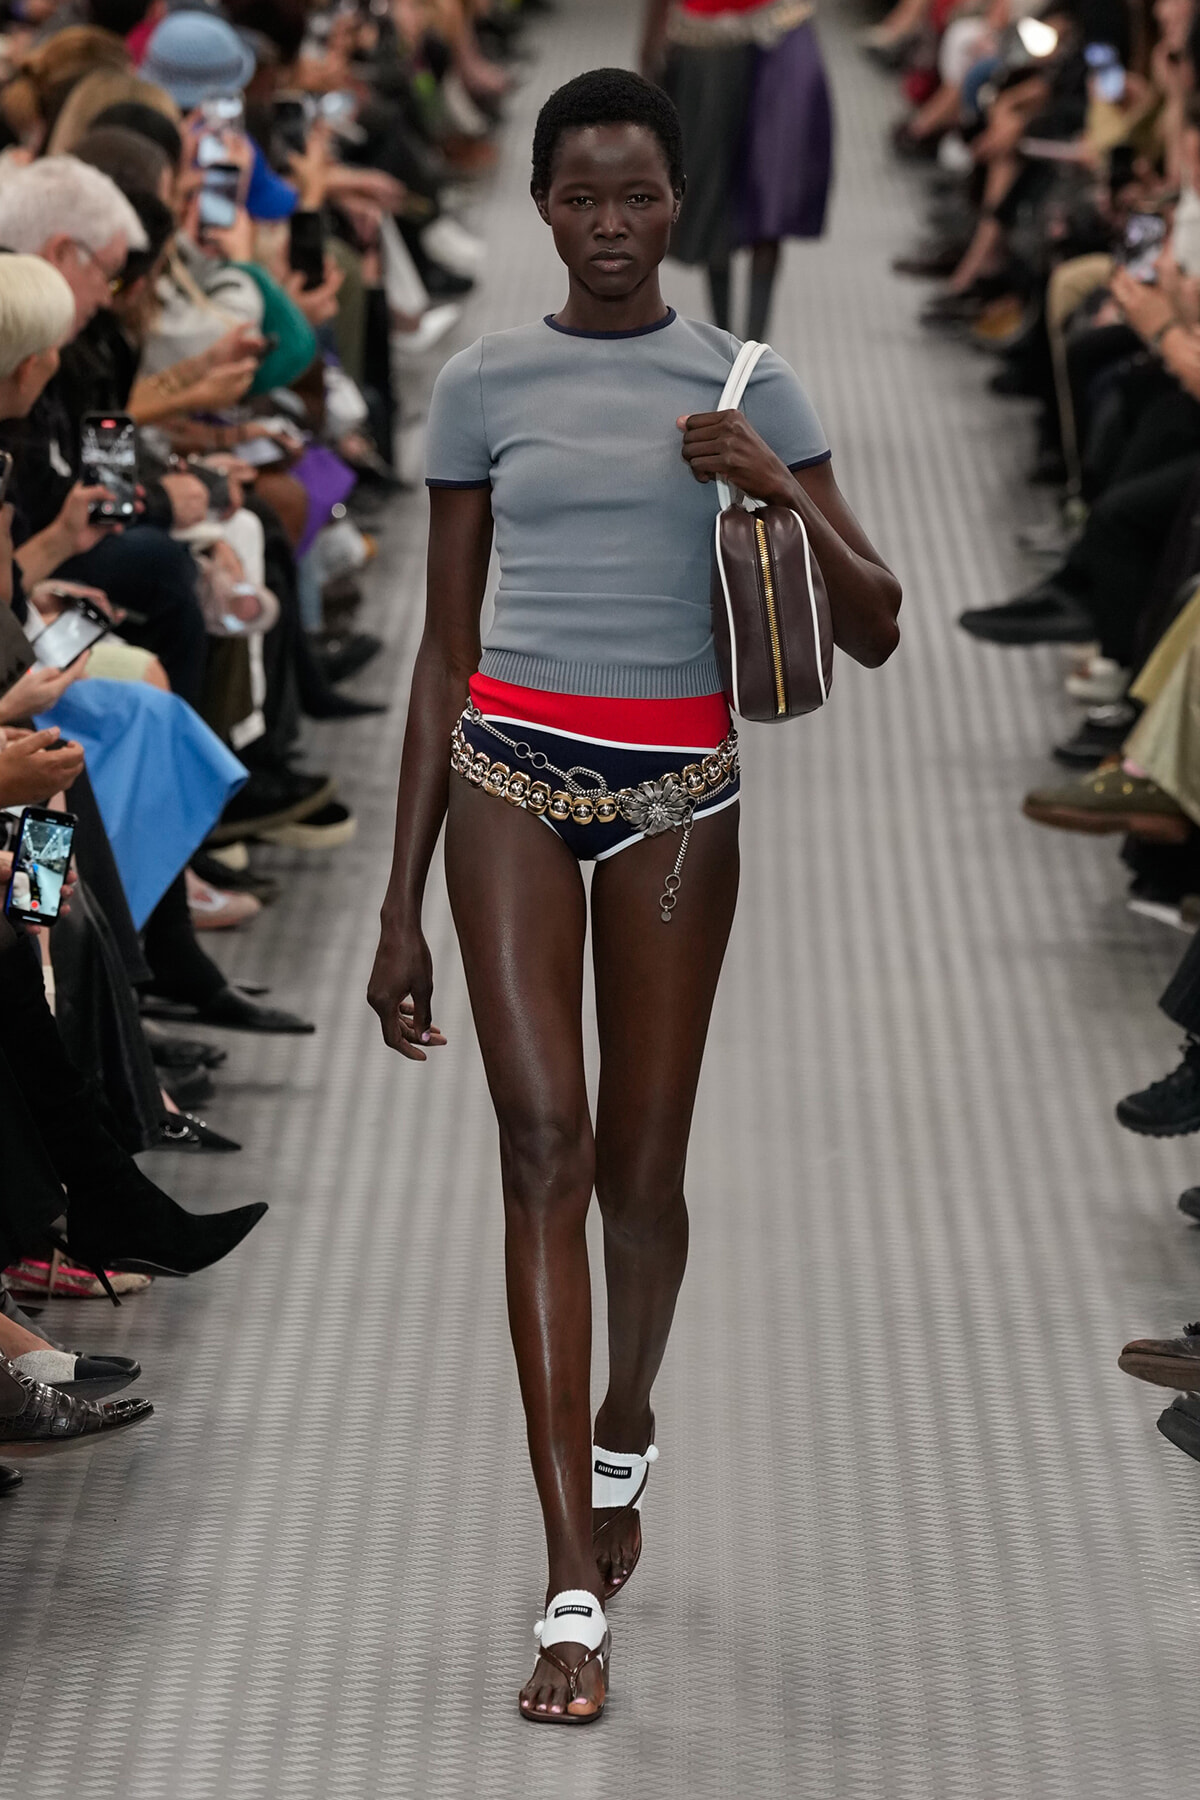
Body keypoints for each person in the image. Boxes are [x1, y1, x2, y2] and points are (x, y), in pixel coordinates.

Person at [368, 68, 900, 1725]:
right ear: (543, 205)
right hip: (508, 786)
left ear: (680, 206)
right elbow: (443, 654)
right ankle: (571, 1589)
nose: (610, 226)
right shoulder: (482, 383)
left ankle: (628, 1421)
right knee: (546, 1146)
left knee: (643, 1178)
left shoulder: (749, 379)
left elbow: (878, 623)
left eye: (639, 198)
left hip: (681, 803)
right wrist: (397, 902)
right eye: (581, 198)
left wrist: (779, 478)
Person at [641, 0, 835, 340]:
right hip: (704, 37)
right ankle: (726, 345)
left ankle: (756, 351)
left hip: (780, 29)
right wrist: (651, 41)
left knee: (772, 194)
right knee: (712, 199)